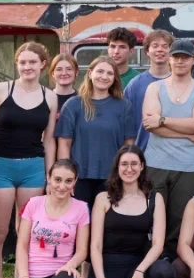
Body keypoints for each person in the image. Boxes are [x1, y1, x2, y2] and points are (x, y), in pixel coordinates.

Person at [0, 42, 58, 278]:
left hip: (33, 169)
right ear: (17, 65)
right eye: (23, 62)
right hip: (0, 166)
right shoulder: (1, 91)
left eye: (32, 62)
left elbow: (49, 140)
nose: (27, 67)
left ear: (42, 65)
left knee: (26, 233)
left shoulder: (50, 97)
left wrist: (50, 175)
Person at [86, 146, 176, 278]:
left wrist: (140, 271)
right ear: (117, 167)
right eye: (124, 164)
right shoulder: (104, 198)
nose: (129, 169)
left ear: (142, 166)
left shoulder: (154, 198)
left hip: (138, 264)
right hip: (107, 267)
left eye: (134, 164)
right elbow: (95, 246)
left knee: (165, 271)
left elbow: (158, 244)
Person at [141, 38, 194, 249]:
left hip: (189, 166)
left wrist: (163, 120)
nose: (180, 61)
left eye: (185, 57)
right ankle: (152, 259)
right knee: (152, 215)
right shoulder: (155, 88)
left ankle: (174, 260)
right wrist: (187, 133)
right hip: (156, 163)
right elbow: (150, 125)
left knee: (181, 219)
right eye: (176, 57)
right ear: (169, 59)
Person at [9, 159, 89, 278]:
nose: (62, 186)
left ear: (75, 181)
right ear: (48, 178)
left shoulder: (81, 208)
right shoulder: (33, 204)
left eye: (68, 181)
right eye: (57, 180)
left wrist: (70, 266)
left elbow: (82, 250)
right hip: (33, 277)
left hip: (60, 274)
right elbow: (21, 246)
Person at [56, 56, 135, 205]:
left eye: (109, 73)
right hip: (79, 178)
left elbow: (129, 145)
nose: (104, 76)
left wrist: (126, 175)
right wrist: (65, 176)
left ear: (115, 78)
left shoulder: (124, 106)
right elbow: (64, 144)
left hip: (112, 177)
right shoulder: (73, 105)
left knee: (106, 218)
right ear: (90, 73)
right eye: (100, 71)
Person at [124, 29, 173, 150]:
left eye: (165, 46)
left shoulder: (181, 83)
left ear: (171, 52)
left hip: (174, 150)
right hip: (143, 150)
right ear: (147, 51)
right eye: (155, 46)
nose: (160, 50)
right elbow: (126, 122)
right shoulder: (135, 85)